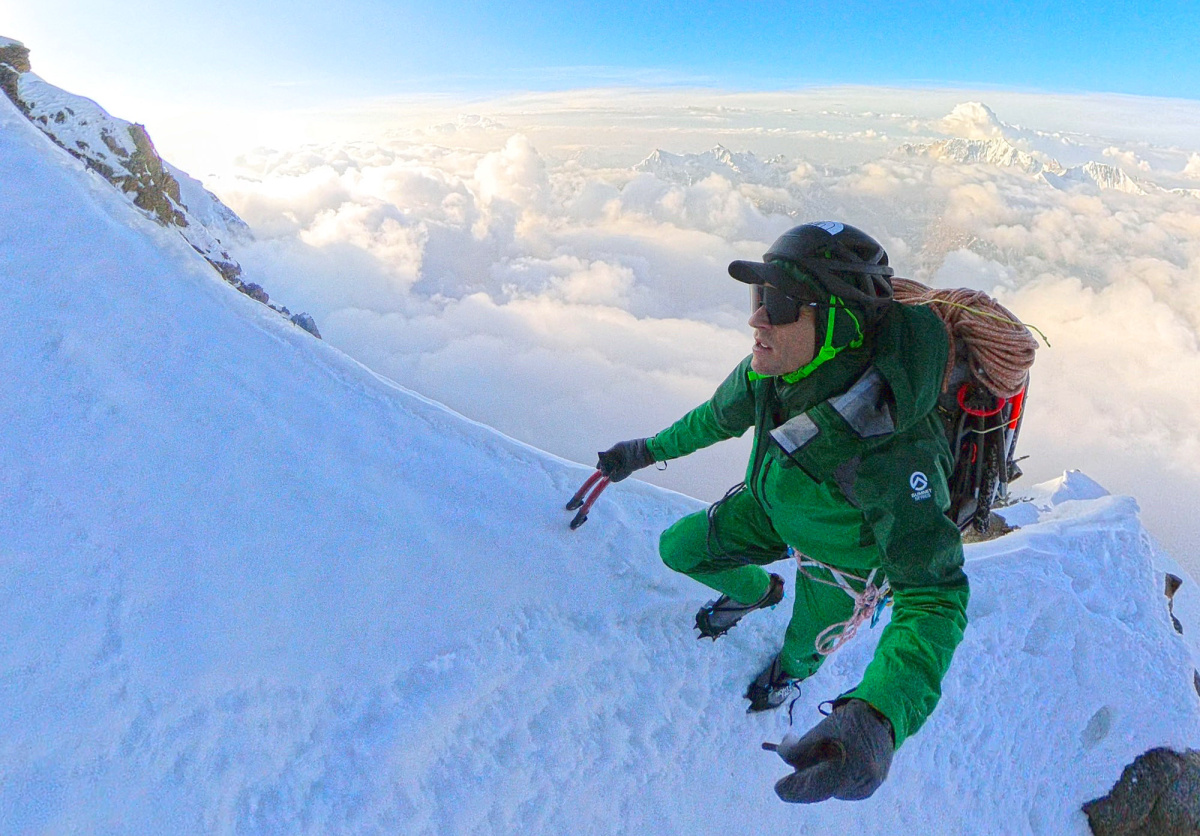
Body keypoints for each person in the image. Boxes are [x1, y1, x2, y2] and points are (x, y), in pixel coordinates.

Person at [595, 221, 968, 803]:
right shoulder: (771, 373)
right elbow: (713, 419)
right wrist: (643, 452)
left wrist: (878, 715)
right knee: (679, 548)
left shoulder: (896, 450)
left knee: (800, 646)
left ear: (841, 325)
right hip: (768, 509)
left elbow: (935, 597)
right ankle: (755, 591)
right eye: (758, 296)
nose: (757, 318)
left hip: (839, 566)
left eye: (782, 303)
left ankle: (785, 678)